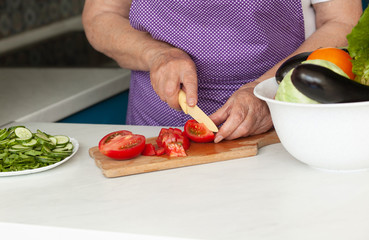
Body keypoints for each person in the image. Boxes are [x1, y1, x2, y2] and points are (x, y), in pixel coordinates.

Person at [82, 0, 362, 143]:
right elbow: (101, 16)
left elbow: (342, 21)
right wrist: (157, 55)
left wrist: (265, 90)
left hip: (282, 124)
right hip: (158, 130)